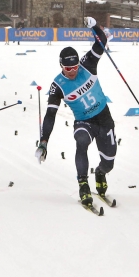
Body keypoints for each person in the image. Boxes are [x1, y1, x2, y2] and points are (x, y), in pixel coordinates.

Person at [35, 17, 116, 207]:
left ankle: (100, 173)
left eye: (74, 66)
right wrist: (44, 141)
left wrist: (94, 25)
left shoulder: (87, 65)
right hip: (84, 122)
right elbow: (50, 115)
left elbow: (102, 41)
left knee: (109, 162)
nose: (72, 71)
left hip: (104, 118)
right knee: (81, 142)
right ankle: (83, 184)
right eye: (67, 68)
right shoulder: (58, 86)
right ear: (61, 66)